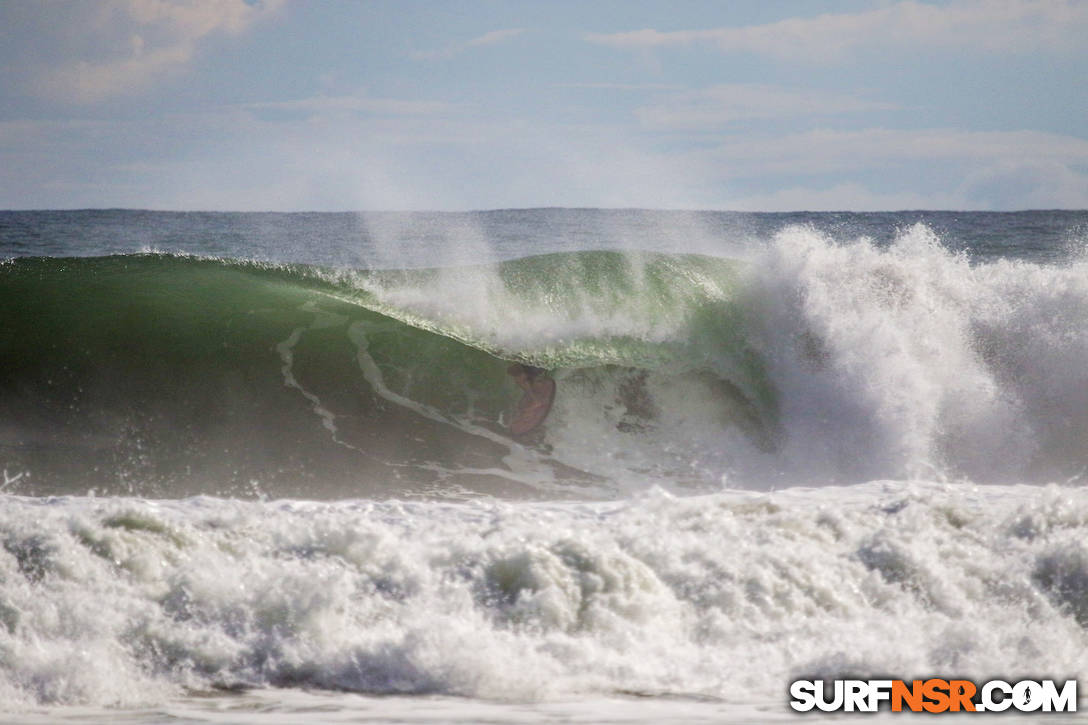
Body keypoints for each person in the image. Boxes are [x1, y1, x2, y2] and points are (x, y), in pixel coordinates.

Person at [506, 363, 556, 435]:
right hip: (537, 369)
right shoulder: (526, 407)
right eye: (524, 420)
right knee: (516, 371)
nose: (519, 417)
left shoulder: (522, 406)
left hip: (537, 370)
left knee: (515, 371)